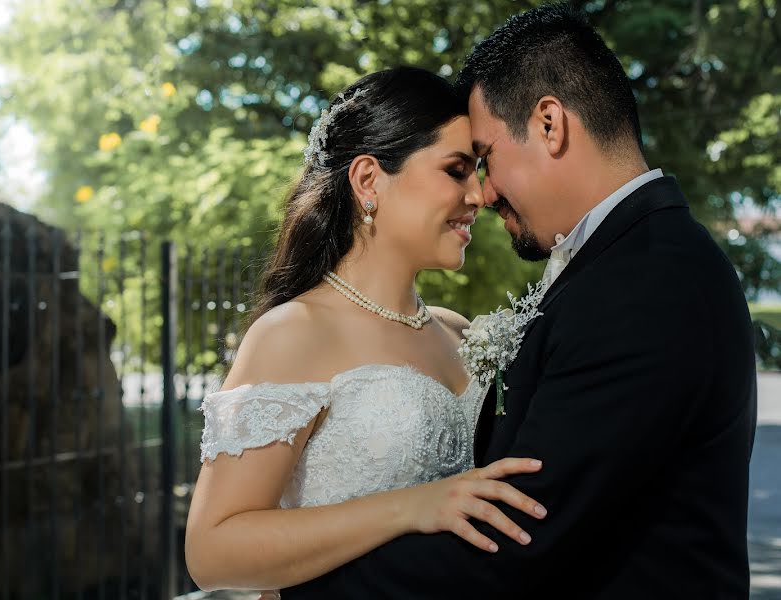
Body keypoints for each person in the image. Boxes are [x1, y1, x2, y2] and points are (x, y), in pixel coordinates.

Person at [283, 4, 757, 599]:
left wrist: (301, 592)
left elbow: (516, 540)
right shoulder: (624, 264)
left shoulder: (647, 280)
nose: (481, 191)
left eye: (483, 158)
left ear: (550, 123)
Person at [184, 66, 548, 595]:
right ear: (368, 179)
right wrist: (410, 508)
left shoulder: (460, 334)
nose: (480, 194)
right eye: (456, 170)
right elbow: (213, 551)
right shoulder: (293, 332)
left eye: (479, 170)